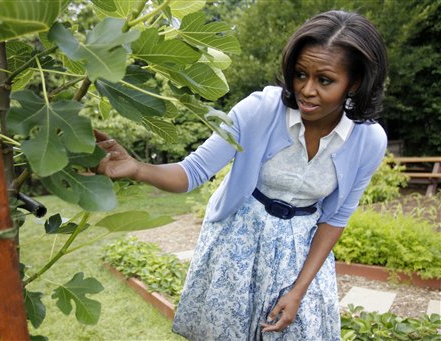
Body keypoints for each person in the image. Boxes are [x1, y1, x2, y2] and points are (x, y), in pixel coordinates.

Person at [95, 10, 388, 341]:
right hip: (237, 243)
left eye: (324, 80)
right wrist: (137, 168)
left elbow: (335, 218)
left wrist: (298, 291)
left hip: (300, 255)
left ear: (356, 82)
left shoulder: (367, 141)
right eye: (300, 74)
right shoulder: (259, 110)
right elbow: (192, 172)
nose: (306, 90)